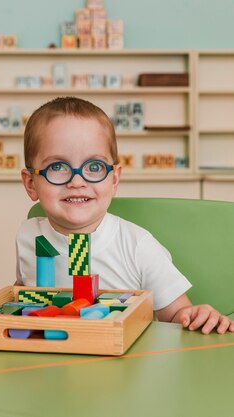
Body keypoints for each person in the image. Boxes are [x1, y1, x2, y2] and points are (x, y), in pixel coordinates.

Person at [14, 96, 233, 334]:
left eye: (94, 167)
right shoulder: (29, 234)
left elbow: (177, 315)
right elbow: (28, 296)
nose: (77, 181)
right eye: (57, 167)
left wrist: (195, 315)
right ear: (31, 184)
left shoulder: (138, 245)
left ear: (114, 179)